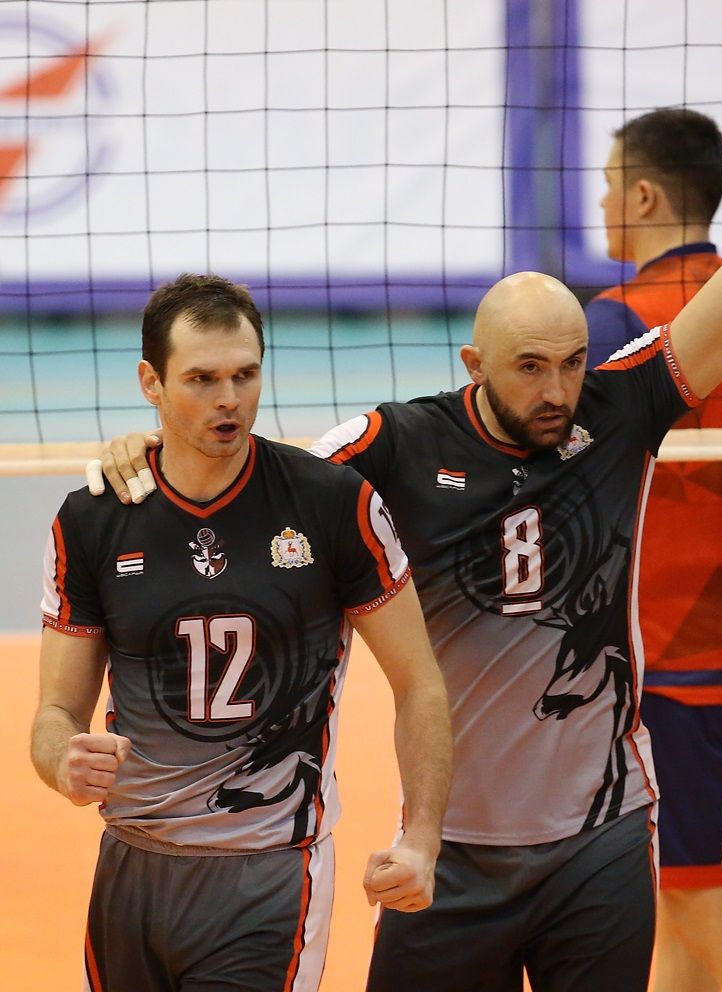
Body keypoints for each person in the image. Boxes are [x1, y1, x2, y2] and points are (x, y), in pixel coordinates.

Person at [91, 11, 722, 991]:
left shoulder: (619, 408)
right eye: (530, 368)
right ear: (476, 364)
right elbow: (253, 470)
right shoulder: (402, 441)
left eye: (572, 363)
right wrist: (153, 446)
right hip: (452, 853)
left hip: (601, 837)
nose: (557, 391)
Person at [34, 275, 453, 991]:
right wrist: (61, 763)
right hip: (133, 866)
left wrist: (421, 841)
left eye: (245, 375)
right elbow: (55, 713)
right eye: (201, 379)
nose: (229, 399)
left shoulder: (333, 504)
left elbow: (419, 683)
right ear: (151, 382)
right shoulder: (94, 518)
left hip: (269, 873)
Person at [586, 106, 722, 992]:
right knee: (679, 910)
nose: (602, 203)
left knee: (704, 903)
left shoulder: (622, 320)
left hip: (675, 650)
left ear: (644, 196)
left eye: (610, 185)